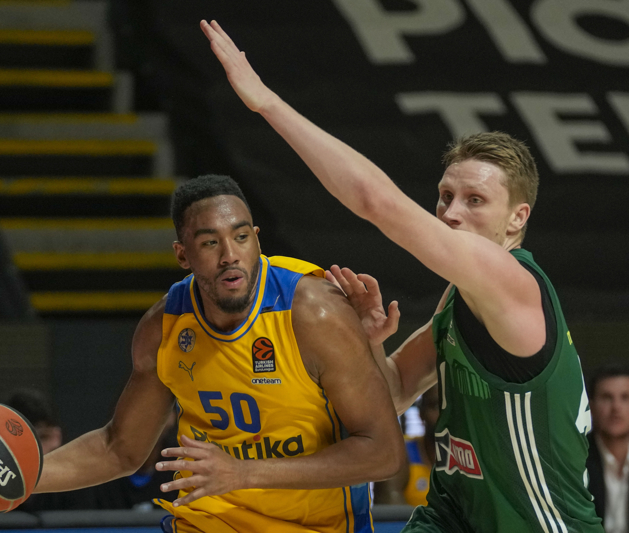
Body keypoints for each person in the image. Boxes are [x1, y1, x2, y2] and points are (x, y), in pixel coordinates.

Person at [200, 20, 602, 532]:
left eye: (475, 201)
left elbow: (376, 201)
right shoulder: (460, 295)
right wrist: (370, 342)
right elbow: (394, 392)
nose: (451, 213)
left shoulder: (512, 281)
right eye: (446, 196)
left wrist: (266, 103)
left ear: (517, 218)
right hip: (453, 516)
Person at [0, 174, 404, 532]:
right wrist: (3, 478)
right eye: (210, 243)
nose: (230, 255)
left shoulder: (314, 313)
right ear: (182, 255)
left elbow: (383, 452)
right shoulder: (163, 327)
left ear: (257, 238)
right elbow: (119, 448)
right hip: (206, 522)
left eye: (241, 237)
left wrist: (242, 472)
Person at [375, 386, 439, 506]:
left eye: (453, 407)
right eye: (436, 406)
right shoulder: (400, 453)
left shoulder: (474, 456)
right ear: (421, 413)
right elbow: (391, 514)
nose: (444, 415)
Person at [586, 365, 629, 533]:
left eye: (625, 397)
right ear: (591, 406)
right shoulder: (576, 457)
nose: (616, 407)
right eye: (606, 397)